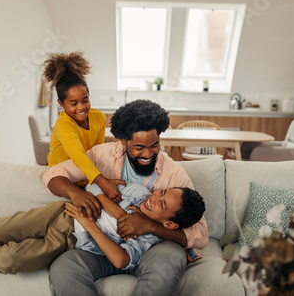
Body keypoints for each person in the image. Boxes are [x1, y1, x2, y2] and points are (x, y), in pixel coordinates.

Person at [44, 99, 209, 296]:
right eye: (139, 147)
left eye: (154, 145)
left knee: (173, 256)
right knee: (65, 265)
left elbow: (200, 235)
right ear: (123, 141)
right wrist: (77, 194)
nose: (148, 154)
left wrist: (150, 226)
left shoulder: (174, 173)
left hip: (150, 250)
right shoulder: (102, 156)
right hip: (103, 248)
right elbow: (53, 174)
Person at [0, 182, 205, 275]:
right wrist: (118, 210)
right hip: (60, 213)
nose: (153, 198)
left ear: (169, 223)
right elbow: (92, 187)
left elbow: (120, 258)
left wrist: (90, 223)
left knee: (6, 260)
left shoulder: (148, 241)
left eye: (161, 204)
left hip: (70, 240)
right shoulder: (137, 192)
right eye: (160, 192)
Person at [43, 52, 124, 201]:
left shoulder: (98, 117)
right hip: (63, 172)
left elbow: (97, 152)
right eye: (73, 103)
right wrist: (102, 183)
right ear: (61, 104)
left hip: (85, 172)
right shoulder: (63, 124)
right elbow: (78, 155)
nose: (81, 107)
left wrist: (99, 177)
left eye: (85, 100)